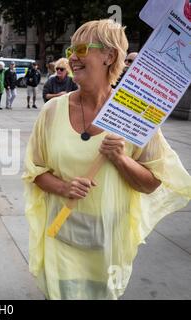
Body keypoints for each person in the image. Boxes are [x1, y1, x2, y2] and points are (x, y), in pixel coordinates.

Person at [23, 19, 191, 300]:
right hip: (61, 237)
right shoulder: (52, 111)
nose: (72, 57)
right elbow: (35, 170)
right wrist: (64, 187)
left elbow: (151, 184)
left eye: (81, 48)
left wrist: (121, 159)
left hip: (107, 247)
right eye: (71, 49)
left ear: (109, 56)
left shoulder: (137, 114)